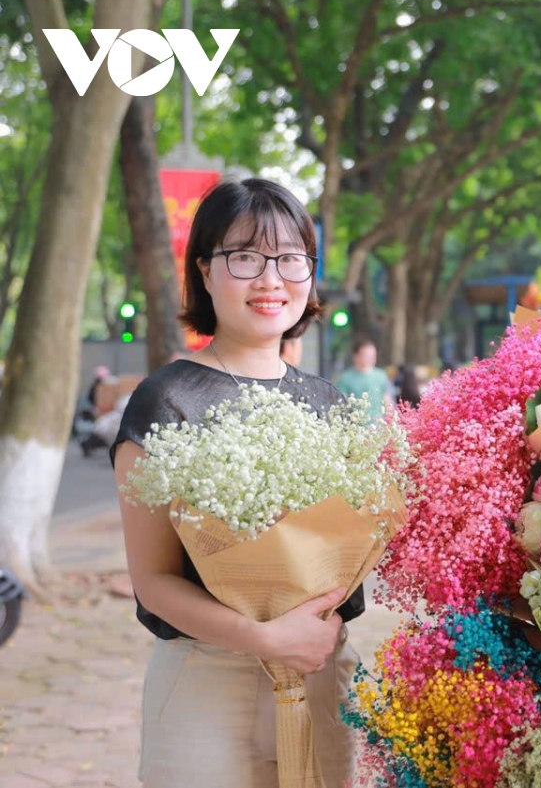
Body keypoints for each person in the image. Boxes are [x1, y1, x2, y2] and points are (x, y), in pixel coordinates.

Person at [111, 178, 361, 787]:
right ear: (205, 269)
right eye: (245, 257)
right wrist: (262, 636)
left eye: (290, 258)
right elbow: (152, 580)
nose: (271, 279)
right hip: (208, 681)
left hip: (320, 674)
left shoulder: (331, 405)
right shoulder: (167, 402)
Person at [335, 340, 391, 420]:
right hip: (355, 427)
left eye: (373, 356)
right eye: (367, 356)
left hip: (378, 426)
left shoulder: (381, 375)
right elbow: (340, 404)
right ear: (356, 356)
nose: (371, 359)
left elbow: (387, 400)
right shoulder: (345, 378)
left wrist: (389, 419)